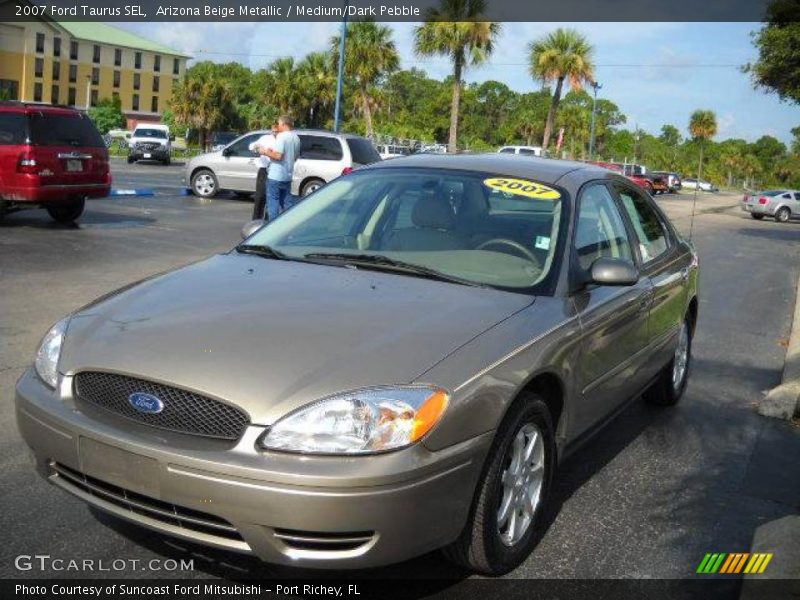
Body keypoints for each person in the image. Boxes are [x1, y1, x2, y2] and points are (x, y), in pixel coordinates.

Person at [261, 115, 301, 221]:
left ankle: (272, 226)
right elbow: (295, 157)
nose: (278, 127)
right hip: (287, 175)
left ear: (283, 124)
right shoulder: (296, 138)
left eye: (279, 124)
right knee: (287, 202)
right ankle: (289, 225)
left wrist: (265, 152)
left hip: (275, 175)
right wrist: (272, 153)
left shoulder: (281, 136)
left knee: (273, 202)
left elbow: (278, 156)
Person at [249, 125, 277, 220]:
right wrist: (257, 147)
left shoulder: (282, 140)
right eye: (273, 131)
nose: (275, 133)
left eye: (277, 131)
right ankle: (255, 221)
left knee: (272, 199)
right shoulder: (265, 138)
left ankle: (268, 221)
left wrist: (266, 152)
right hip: (264, 170)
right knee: (260, 197)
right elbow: (251, 146)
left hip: (275, 170)